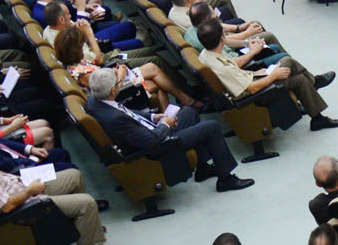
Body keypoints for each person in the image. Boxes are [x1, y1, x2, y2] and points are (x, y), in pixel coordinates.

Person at [86, 68, 252, 192]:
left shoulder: (96, 100)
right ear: (113, 90)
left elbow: (126, 112)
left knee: (188, 112)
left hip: (149, 130)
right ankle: (225, 179)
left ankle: (203, 168)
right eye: (118, 84)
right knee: (212, 127)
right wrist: (165, 124)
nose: (120, 85)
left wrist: (154, 117)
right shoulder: (115, 118)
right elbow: (152, 141)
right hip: (160, 146)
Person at [194, 17, 338, 130]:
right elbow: (250, 89)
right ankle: (315, 90)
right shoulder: (221, 66)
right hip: (255, 94)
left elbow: (234, 69)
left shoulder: (206, 54)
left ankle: (316, 106)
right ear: (222, 38)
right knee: (293, 71)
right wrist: (274, 75)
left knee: (294, 71)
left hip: (251, 79)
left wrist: (256, 72)